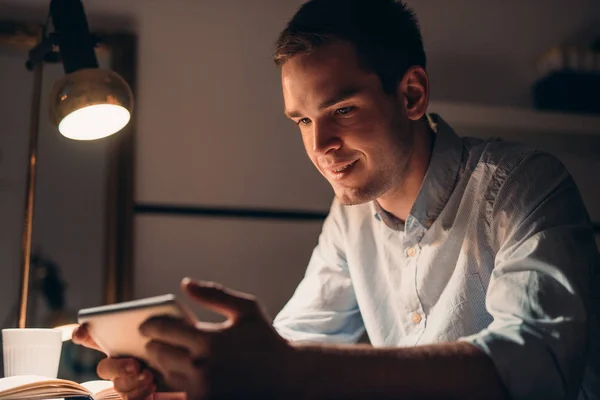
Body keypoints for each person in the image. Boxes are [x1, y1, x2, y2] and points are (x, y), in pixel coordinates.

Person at [73, 0, 600, 399]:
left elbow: (537, 365)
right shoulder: (350, 219)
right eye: (302, 120)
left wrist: (283, 368)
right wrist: (177, 364)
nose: (320, 146)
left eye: (342, 111)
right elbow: (298, 340)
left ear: (412, 94)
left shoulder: (525, 185)